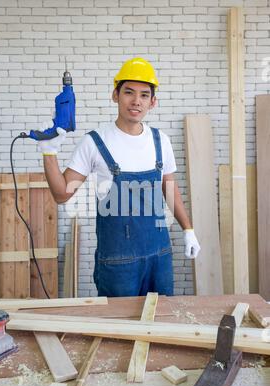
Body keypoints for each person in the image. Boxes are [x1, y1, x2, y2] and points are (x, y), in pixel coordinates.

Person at [39, 57, 200, 297]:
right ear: (115, 95)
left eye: (144, 95)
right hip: (117, 263)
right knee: (119, 328)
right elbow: (62, 194)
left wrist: (188, 230)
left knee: (162, 324)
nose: (136, 101)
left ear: (153, 102)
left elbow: (170, 189)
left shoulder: (161, 141)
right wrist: (49, 151)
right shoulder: (94, 143)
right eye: (129, 92)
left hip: (160, 257)